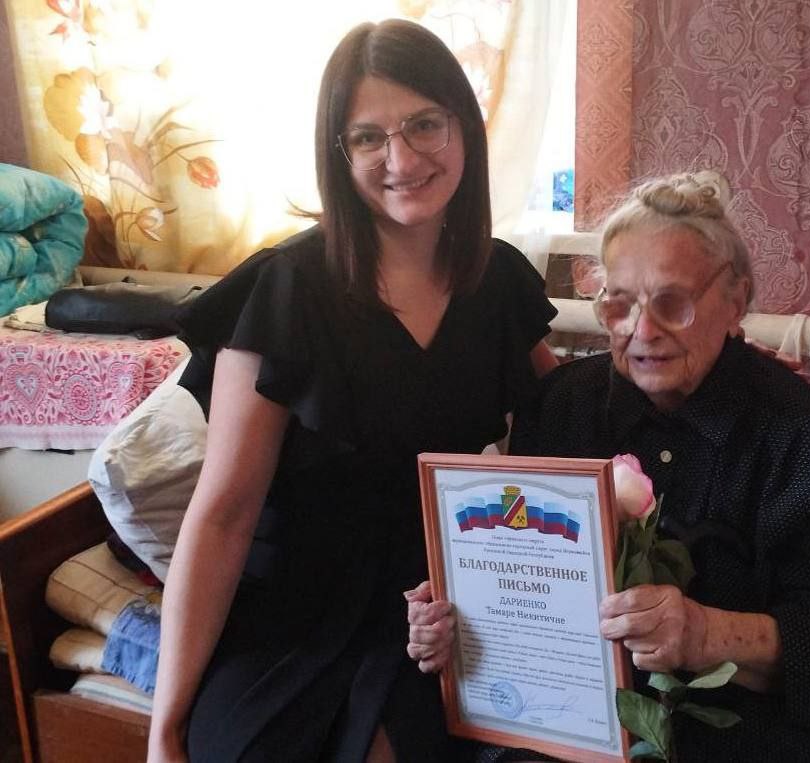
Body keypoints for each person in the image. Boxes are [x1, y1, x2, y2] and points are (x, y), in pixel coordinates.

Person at [407, 171, 810, 761]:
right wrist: (461, 617)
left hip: (751, 711)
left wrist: (704, 633)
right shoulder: (559, 407)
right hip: (584, 702)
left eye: (672, 303)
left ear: (735, 301)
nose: (643, 331)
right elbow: (525, 567)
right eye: (619, 305)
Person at [147, 19, 558, 763]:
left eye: (424, 124)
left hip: (438, 606)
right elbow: (224, 515)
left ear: (465, 126)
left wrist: (703, 371)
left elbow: (572, 417)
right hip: (294, 610)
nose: (401, 159)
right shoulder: (287, 288)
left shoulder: (496, 280)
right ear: (339, 155)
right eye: (368, 137)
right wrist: (164, 726)